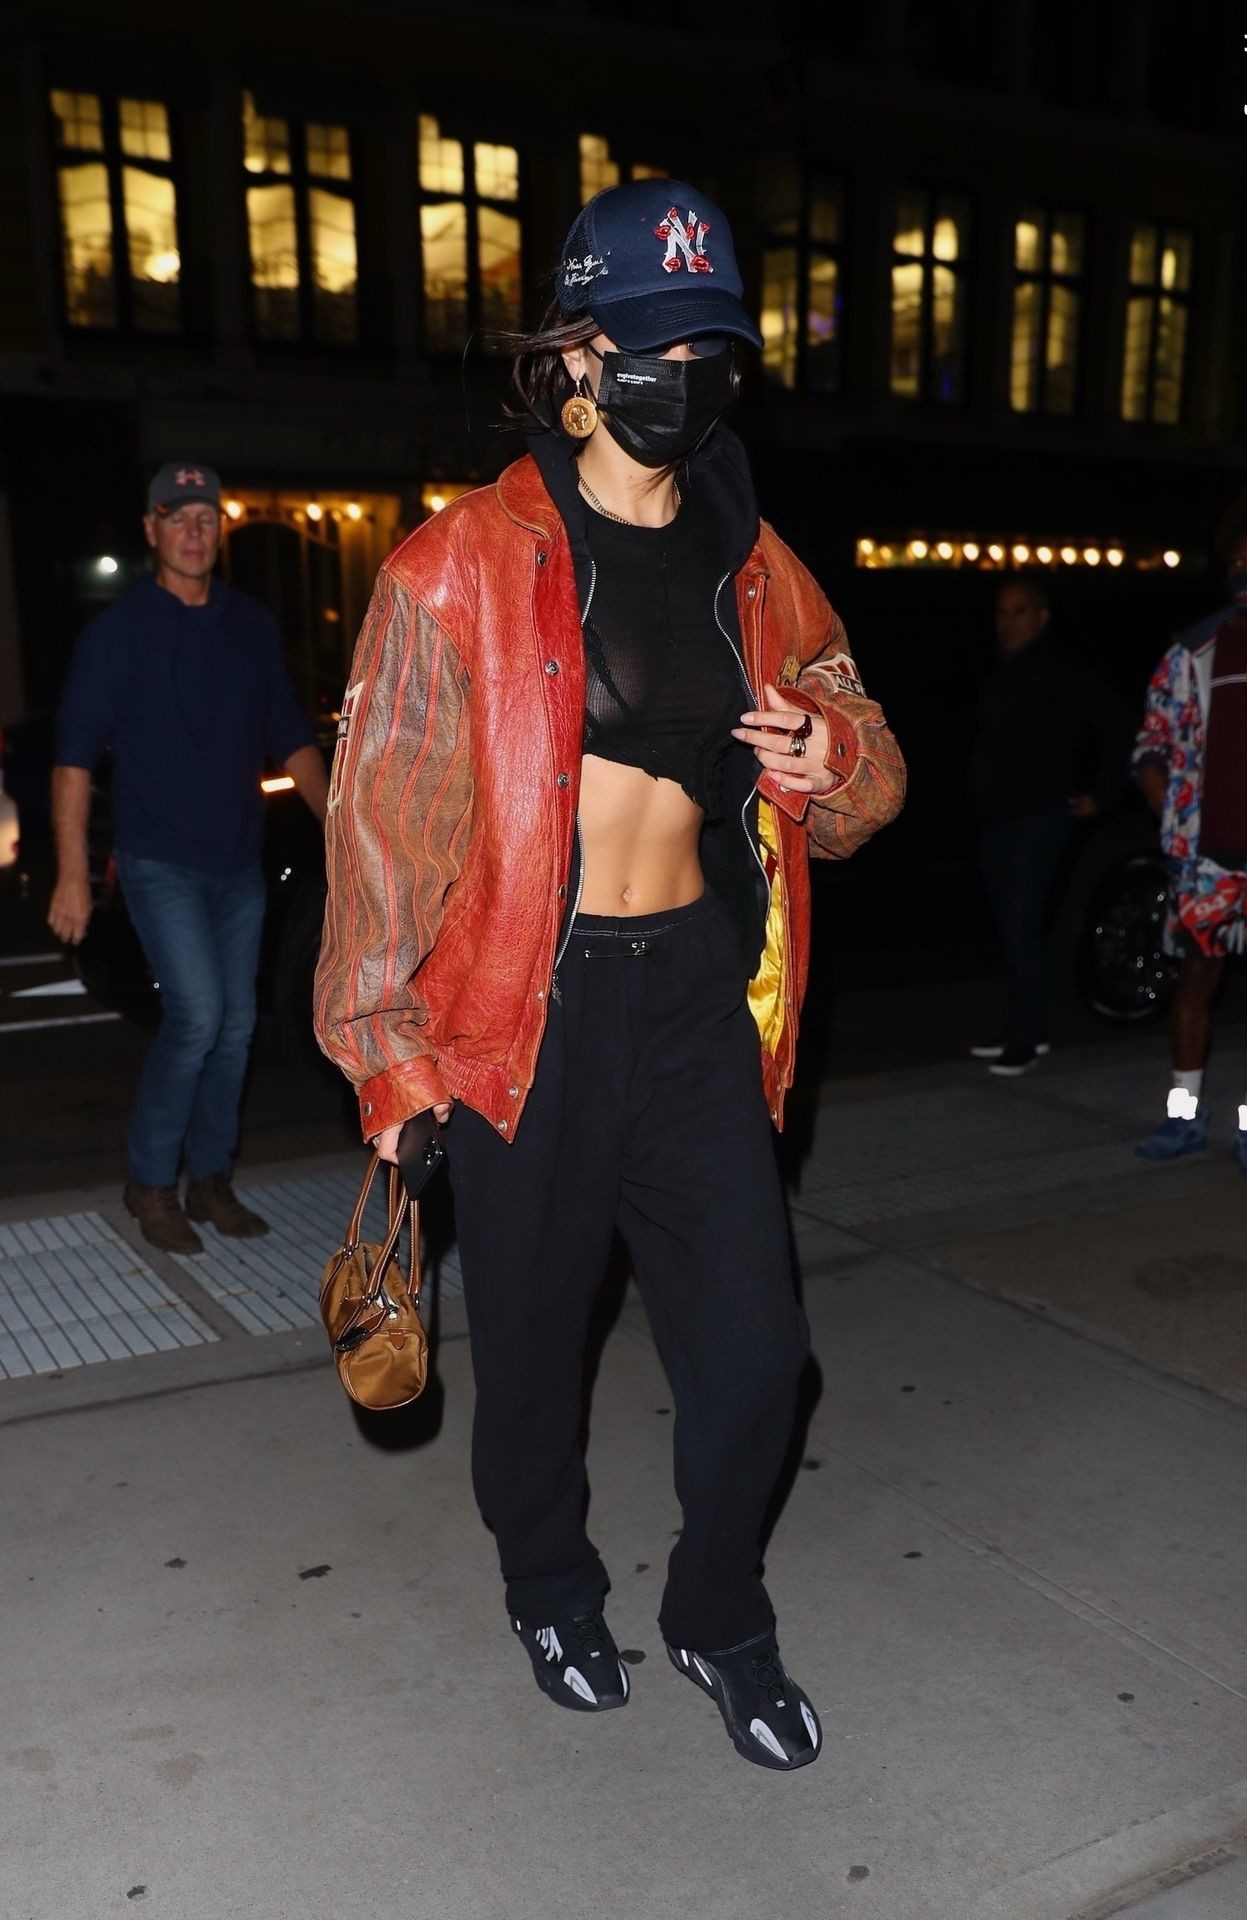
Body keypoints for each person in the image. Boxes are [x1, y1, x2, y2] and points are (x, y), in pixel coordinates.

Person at [314, 181, 905, 1772]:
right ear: (575, 356)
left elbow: (865, 758)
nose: (685, 378)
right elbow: (382, 829)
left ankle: (718, 1609)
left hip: (701, 998)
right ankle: (549, 1584)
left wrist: (829, 751)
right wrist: (389, 1058)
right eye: (654, 346)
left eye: (713, 350)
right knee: (529, 1351)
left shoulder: (757, 560)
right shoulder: (456, 565)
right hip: (528, 1012)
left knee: (761, 1358)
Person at [49, 462, 328, 1250]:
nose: (194, 531)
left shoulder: (249, 626)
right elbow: (73, 759)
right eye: (177, 517)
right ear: (152, 530)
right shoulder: (117, 635)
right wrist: (71, 875)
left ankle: (209, 1181)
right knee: (198, 1015)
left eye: (206, 517)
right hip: (159, 861)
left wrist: (344, 828)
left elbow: (291, 736)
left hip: (238, 865)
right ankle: (149, 1183)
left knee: (236, 1029)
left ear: (220, 529)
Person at [1133, 513, 1247, 1177]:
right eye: (1240, 562)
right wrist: (1162, 797)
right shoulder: (1193, 650)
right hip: (1203, 857)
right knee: (1194, 982)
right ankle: (1183, 1114)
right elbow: (1153, 739)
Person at [968, 577, 1130, 1075]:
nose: (1008, 622)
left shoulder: (1064, 669)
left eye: (1019, 611)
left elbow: (1119, 725)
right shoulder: (997, 670)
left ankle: (1029, 1035)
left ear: (1042, 616)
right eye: (1002, 612)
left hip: (1039, 817)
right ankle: (1023, 1024)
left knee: (1022, 922)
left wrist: (1101, 794)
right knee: (1009, 926)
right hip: (995, 818)